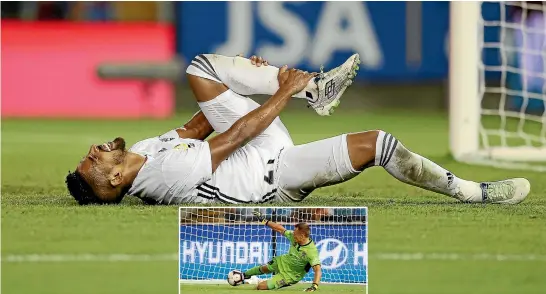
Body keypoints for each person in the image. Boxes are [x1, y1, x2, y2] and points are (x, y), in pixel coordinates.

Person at [65, 53, 530, 205]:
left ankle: (317, 89)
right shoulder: (164, 178)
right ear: (113, 180)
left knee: (202, 69)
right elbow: (238, 136)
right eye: (94, 161)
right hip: (272, 178)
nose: (95, 150)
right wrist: (280, 91)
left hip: (253, 141)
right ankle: (474, 192)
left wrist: (239, 79)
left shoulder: (147, 148)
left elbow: (202, 122)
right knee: (379, 144)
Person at [242, 211, 321, 291]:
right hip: (282, 261)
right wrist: (264, 220)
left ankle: (257, 281)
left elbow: (317, 270)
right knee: (264, 268)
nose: (293, 234)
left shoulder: (311, 251)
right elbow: (279, 228)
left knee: (261, 287)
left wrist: (314, 286)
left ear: (302, 236)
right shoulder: (294, 236)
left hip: (290, 275)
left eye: (295, 233)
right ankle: (244, 275)